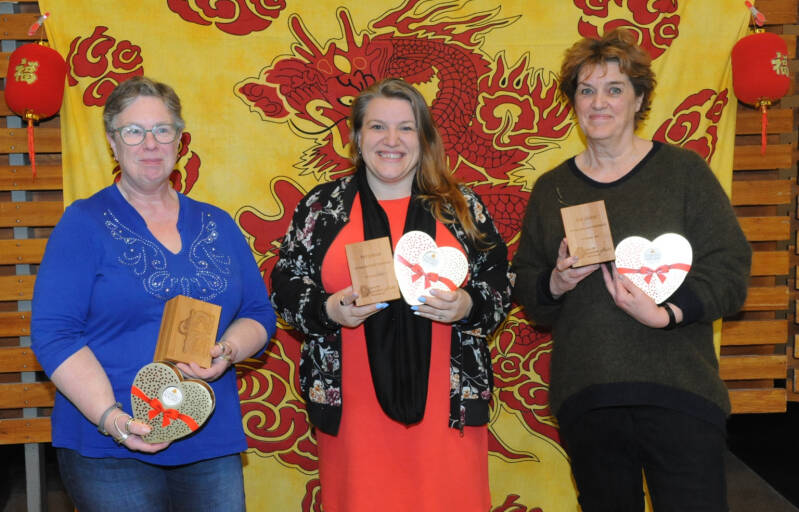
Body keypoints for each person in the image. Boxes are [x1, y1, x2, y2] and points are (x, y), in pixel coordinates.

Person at [512, 29, 751, 512]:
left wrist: (667, 314)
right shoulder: (551, 189)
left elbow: (730, 268)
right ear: (574, 102)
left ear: (639, 99)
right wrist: (555, 282)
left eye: (614, 89)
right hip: (589, 397)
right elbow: (528, 291)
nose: (599, 102)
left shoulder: (683, 173)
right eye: (586, 89)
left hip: (680, 393)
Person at [31, 76, 276, 512]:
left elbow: (258, 312)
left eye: (162, 130)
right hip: (111, 443)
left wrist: (228, 351)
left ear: (179, 140)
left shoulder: (218, 223)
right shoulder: (82, 223)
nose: (150, 143)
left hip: (208, 436)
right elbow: (55, 335)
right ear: (112, 141)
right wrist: (112, 419)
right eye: (134, 131)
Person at [270, 77, 512, 512]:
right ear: (356, 137)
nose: (392, 140)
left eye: (406, 127)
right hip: (351, 410)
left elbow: (500, 281)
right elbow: (285, 284)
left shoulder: (461, 206)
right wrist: (329, 309)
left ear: (424, 138)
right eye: (378, 126)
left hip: (449, 409)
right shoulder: (322, 208)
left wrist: (468, 304)